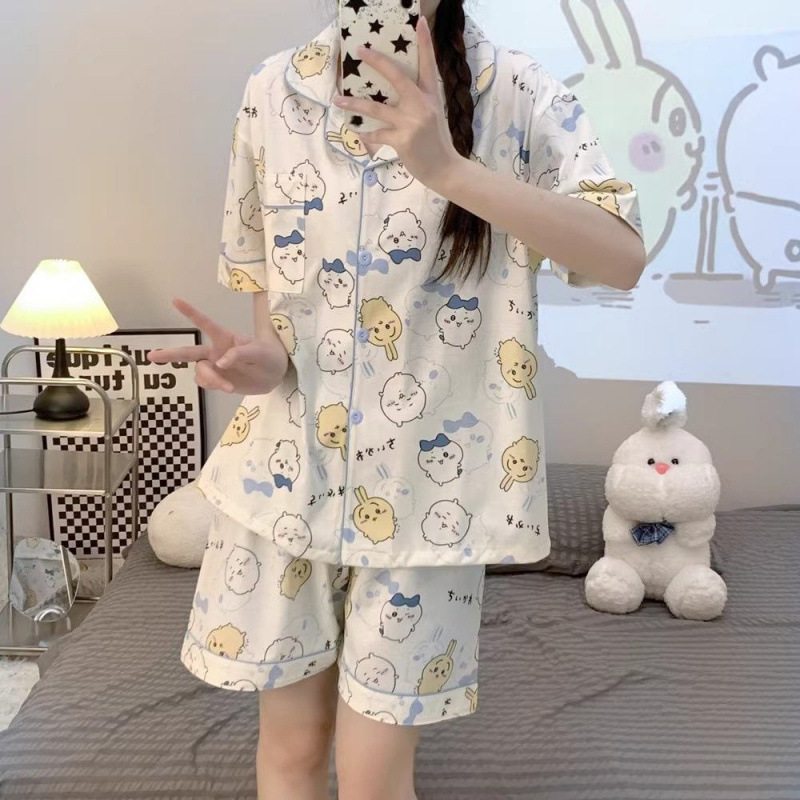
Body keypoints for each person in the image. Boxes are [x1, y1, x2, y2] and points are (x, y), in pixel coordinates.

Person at [148, 1, 645, 798]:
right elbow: (275, 329)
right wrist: (255, 364)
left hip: (427, 508)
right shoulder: (273, 91)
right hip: (283, 485)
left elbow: (621, 257)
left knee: (374, 780)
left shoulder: (518, 93)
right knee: (290, 753)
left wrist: (448, 169)